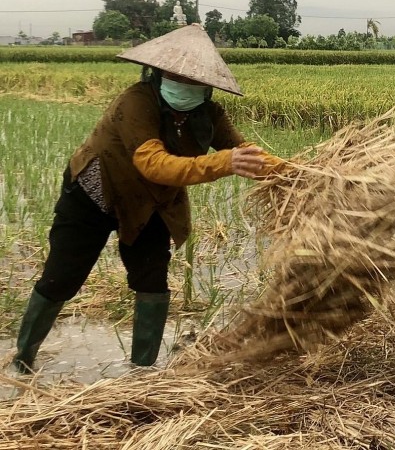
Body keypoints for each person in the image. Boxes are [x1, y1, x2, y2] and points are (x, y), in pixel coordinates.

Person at [12, 23, 284, 372]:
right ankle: (23, 358)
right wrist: (222, 163)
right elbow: (152, 164)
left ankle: (142, 372)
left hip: (151, 205)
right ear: (159, 72)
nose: (183, 83)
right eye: (176, 75)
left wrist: (302, 174)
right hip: (96, 196)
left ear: (206, 85)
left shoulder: (210, 115)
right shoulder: (136, 102)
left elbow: (248, 153)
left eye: (193, 79)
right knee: (61, 278)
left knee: (152, 280)